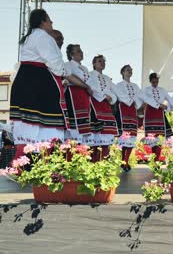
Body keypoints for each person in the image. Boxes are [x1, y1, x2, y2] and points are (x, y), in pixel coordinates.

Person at [10, 9, 86, 154]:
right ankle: (34, 166)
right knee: (43, 124)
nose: (52, 23)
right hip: (37, 83)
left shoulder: (33, 37)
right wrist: (67, 75)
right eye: (49, 20)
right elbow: (56, 66)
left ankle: (26, 165)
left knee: (33, 125)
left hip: (30, 82)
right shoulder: (42, 37)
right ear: (43, 22)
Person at [140, 73, 173, 161]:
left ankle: (157, 161)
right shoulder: (146, 90)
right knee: (152, 139)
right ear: (150, 81)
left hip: (160, 115)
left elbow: (171, 100)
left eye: (156, 81)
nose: (155, 83)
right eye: (153, 81)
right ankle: (154, 161)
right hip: (150, 115)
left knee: (159, 139)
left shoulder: (162, 90)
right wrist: (159, 105)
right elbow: (145, 99)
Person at [87, 55, 119, 162]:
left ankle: (104, 162)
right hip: (95, 105)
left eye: (103, 61)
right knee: (95, 135)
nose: (102, 63)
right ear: (94, 64)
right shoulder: (89, 75)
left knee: (107, 134)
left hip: (106, 107)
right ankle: (93, 162)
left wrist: (112, 98)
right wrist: (104, 96)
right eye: (99, 61)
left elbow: (114, 92)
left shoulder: (107, 78)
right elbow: (91, 88)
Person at [112, 64, 143, 171]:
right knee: (124, 135)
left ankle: (126, 160)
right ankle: (122, 160)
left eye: (130, 70)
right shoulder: (118, 85)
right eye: (127, 70)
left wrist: (137, 104)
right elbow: (119, 95)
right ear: (122, 72)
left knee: (132, 136)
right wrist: (129, 101)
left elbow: (140, 97)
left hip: (132, 110)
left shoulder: (135, 86)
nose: (129, 71)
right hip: (123, 109)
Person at [64, 44, 94, 145]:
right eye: (78, 51)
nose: (81, 53)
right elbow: (69, 78)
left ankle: (81, 150)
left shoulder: (84, 68)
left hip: (84, 97)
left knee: (84, 126)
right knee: (75, 127)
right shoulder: (67, 65)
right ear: (72, 54)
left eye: (81, 50)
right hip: (73, 95)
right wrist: (86, 86)